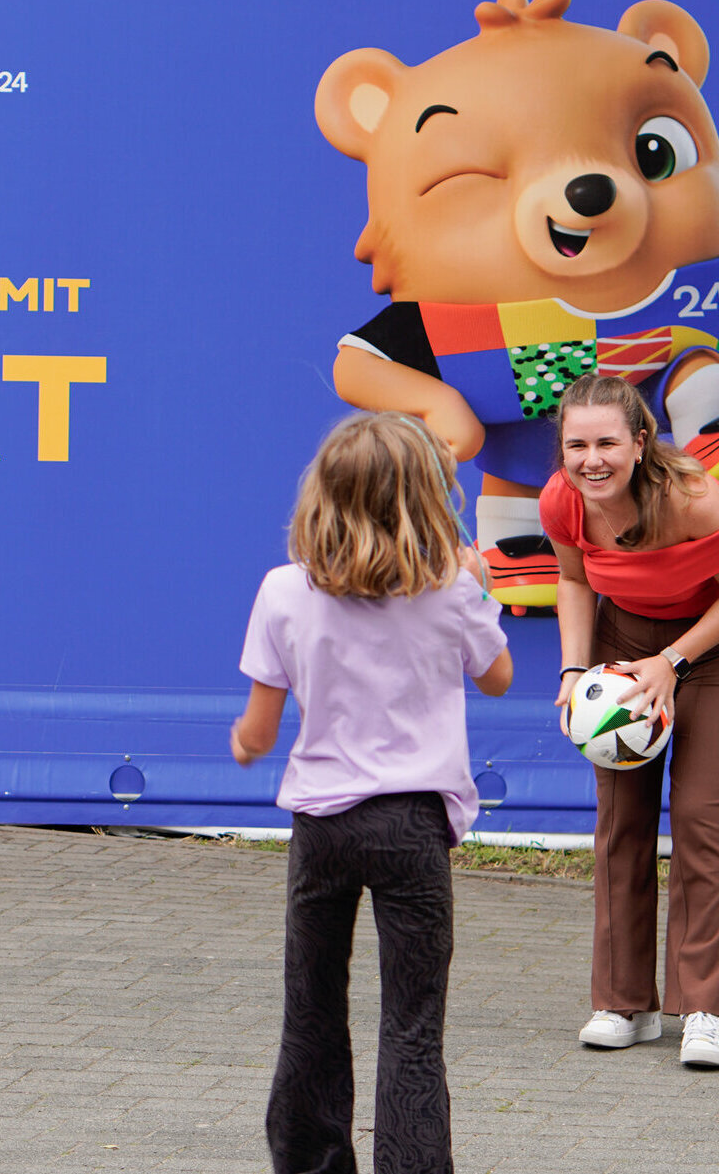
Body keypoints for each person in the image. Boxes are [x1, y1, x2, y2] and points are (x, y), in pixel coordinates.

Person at [232, 411, 512, 1174]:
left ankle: (311, 1161)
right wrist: (477, 587)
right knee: (414, 1028)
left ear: (322, 494)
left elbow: (259, 727)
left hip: (322, 824)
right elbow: (497, 677)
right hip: (415, 827)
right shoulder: (450, 587)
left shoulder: (283, 591)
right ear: (427, 497)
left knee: (312, 1011)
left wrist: (246, 744)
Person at [544, 374, 719, 1069]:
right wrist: (575, 672)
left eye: (607, 441)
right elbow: (575, 581)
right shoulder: (564, 503)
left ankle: (703, 1009)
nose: (592, 459)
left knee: (701, 812)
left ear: (640, 443)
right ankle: (625, 1004)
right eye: (576, 444)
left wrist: (672, 660)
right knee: (622, 817)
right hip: (623, 639)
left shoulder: (697, 498)